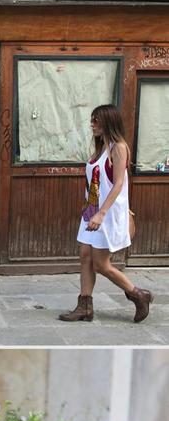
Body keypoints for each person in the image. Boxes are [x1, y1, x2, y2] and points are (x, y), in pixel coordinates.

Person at [59, 104, 153, 324]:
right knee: (84, 257)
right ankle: (84, 307)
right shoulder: (100, 148)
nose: (92, 125)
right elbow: (96, 182)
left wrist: (101, 213)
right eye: (92, 120)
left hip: (106, 215)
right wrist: (88, 208)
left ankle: (139, 295)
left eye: (96, 121)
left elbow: (118, 184)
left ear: (108, 122)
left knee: (100, 264)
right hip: (91, 212)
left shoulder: (119, 148)